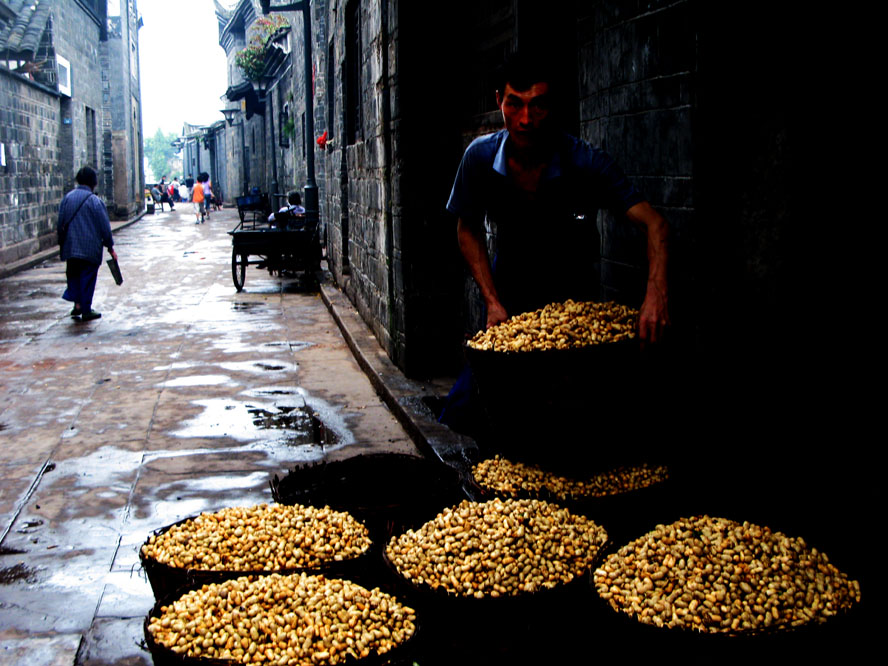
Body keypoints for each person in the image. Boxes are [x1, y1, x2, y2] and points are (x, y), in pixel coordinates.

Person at [439, 52, 669, 433]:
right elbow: (467, 227)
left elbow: (655, 224)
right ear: (500, 101)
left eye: (538, 105)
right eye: (514, 104)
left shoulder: (586, 162)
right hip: (509, 292)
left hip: (571, 297)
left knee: (570, 415)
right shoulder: (479, 159)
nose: (525, 120)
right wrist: (492, 301)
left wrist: (656, 293)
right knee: (471, 408)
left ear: (552, 105)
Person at [57, 166, 118, 321]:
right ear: (94, 182)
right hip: (89, 248)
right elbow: (105, 227)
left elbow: (60, 223)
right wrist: (110, 247)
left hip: (71, 247)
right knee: (87, 277)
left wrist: (62, 243)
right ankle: (85, 309)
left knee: (73, 275)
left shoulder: (67, 198)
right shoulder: (95, 202)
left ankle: (77, 304)